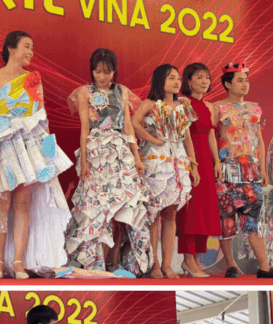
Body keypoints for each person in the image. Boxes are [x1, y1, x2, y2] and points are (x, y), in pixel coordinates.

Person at [0, 31, 72, 280]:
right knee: (1, 204)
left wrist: (47, 154)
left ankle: (18, 262)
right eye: (26, 46)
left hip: (27, 148)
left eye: (32, 48)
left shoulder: (33, 79)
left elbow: (41, 116)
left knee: (22, 205)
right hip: (0, 147)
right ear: (11, 48)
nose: (30, 52)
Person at [63, 48, 149, 275]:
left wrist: (137, 158)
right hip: (96, 151)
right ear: (91, 71)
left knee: (127, 205)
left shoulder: (122, 91)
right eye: (97, 71)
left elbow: (128, 126)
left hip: (120, 152)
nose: (102, 76)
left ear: (114, 71)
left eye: (107, 71)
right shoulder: (85, 91)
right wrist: (83, 161)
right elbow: (84, 128)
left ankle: (121, 261)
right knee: (97, 205)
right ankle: (93, 262)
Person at [214, 63, 273, 278]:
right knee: (226, 217)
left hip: (251, 169)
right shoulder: (217, 107)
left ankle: (264, 267)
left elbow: (260, 140)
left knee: (253, 216)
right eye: (239, 80)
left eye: (246, 80)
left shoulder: (255, 108)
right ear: (227, 84)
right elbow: (210, 136)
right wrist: (215, 162)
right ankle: (230, 265)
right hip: (226, 167)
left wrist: (263, 169)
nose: (245, 84)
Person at [131, 64, 198, 279]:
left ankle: (168, 265)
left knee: (171, 213)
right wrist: (152, 139)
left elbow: (187, 137)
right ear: (160, 80)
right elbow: (133, 123)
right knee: (154, 213)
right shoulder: (150, 104)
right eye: (171, 78)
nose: (177, 82)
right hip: (155, 161)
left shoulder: (183, 105)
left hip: (177, 161)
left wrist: (194, 165)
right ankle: (155, 264)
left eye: (178, 78)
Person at [176, 63, 221, 277]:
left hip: (206, 160)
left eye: (207, 77)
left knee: (205, 209)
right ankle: (187, 258)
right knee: (190, 210)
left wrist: (217, 161)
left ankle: (196, 258)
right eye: (199, 77)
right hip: (190, 157)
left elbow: (211, 134)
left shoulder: (209, 107)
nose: (204, 81)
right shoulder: (183, 103)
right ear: (189, 80)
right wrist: (191, 162)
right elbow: (183, 134)